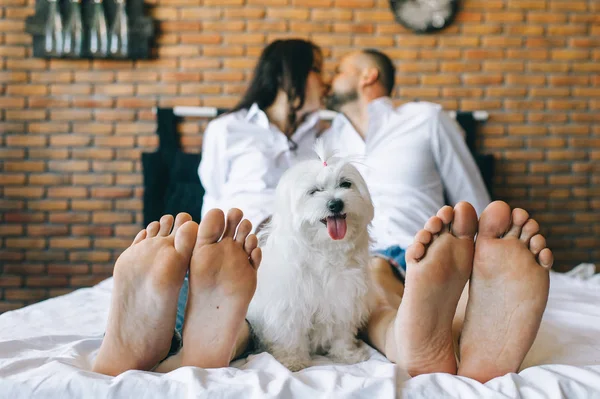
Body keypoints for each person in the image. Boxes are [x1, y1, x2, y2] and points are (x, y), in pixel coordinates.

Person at [92, 201, 553, 384]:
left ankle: (204, 338)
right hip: (255, 247)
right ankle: (410, 335)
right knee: (377, 290)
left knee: (252, 314)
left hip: (252, 249)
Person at [322, 49, 491, 305]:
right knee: (358, 279)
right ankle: (432, 315)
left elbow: (470, 196)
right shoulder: (328, 140)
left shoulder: (426, 119)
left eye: (338, 71)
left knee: (375, 276)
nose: (329, 80)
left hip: (419, 250)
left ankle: (461, 296)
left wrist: (487, 261)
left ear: (368, 76)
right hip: (351, 259)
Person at [198, 38, 326, 231]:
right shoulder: (227, 128)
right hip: (244, 239)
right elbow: (214, 192)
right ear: (285, 76)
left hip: (303, 240)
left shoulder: (322, 133)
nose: (326, 81)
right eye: (316, 69)